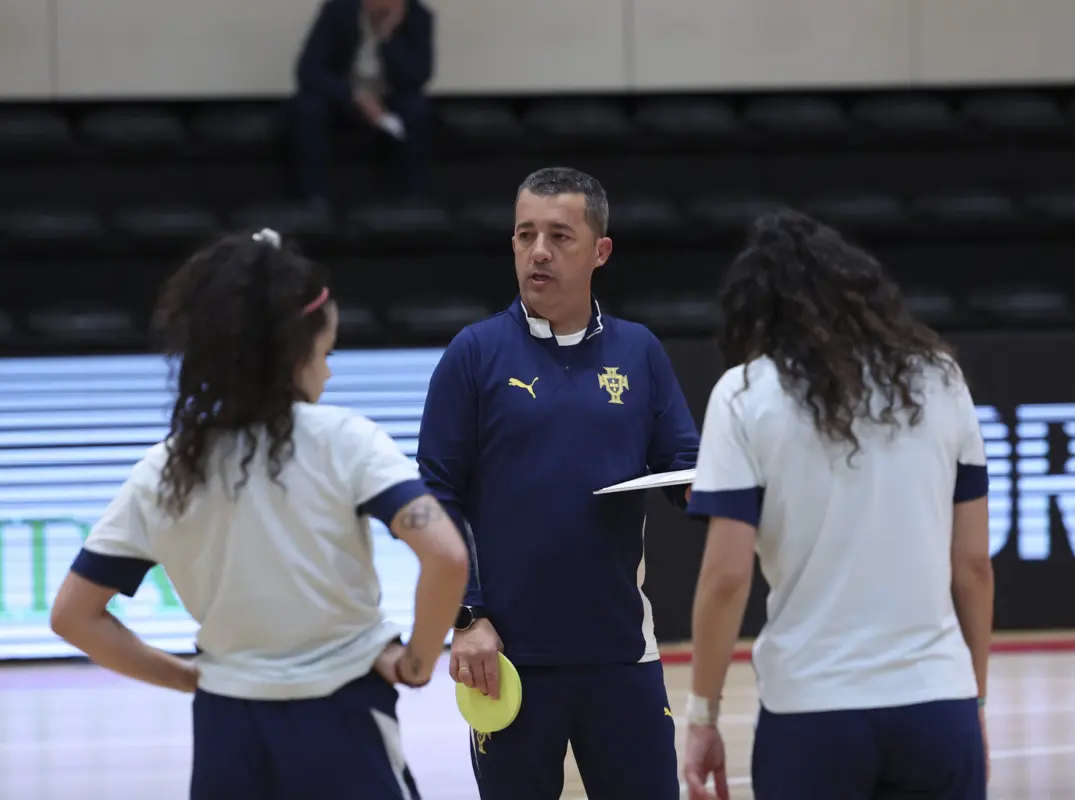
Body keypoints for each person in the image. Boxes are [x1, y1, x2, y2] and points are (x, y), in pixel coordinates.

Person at [48, 228, 469, 800]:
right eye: (327, 355)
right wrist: (419, 661)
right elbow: (444, 554)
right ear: (297, 353)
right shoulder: (346, 440)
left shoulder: (165, 468)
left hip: (228, 728)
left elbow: (74, 616)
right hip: (343, 719)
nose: (330, 372)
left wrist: (189, 678)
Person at [682, 208, 994, 800]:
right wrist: (973, 698)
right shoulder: (942, 380)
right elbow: (974, 567)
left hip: (813, 713)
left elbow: (725, 579)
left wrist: (703, 716)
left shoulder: (744, 395)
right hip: (936, 704)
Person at [416, 166, 700, 799]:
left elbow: (685, 464)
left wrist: (720, 496)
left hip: (622, 653)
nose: (538, 251)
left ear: (600, 251)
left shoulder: (641, 351)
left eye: (559, 236)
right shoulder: (474, 352)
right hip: (505, 659)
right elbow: (436, 494)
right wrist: (468, 617)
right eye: (524, 235)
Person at [293, 0, 435, 205]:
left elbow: (417, 78)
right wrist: (355, 96)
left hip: (389, 99)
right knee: (309, 108)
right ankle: (314, 197)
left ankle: (412, 198)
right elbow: (309, 69)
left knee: (417, 109)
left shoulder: (419, 16)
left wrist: (388, 38)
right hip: (344, 97)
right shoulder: (339, 10)